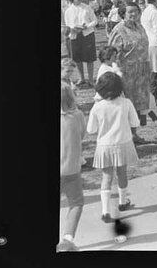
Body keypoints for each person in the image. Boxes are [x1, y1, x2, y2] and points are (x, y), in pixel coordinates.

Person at [87, 72, 139, 223]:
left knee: (106, 176)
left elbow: (91, 129)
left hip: (105, 145)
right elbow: (135, 122)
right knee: (122, 173)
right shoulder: (126, 103)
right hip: (123, 142)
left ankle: (105, 211)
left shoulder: (97, 106)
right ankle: (122, 202)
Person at [107, 2, 155, 130]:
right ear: (123, 14)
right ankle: (127, 133)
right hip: (127, 73)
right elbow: (111, 53)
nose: (134, 14)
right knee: (128, 104)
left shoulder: (139, 26)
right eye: (130, 11)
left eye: (136, 11)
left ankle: (134, 132)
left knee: (139, 105)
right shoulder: (119, 30)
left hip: (142, 72)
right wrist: (116, 72)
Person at [59, 82, 86, 252]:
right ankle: (67, 239)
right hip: (71, 168)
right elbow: (82, 135)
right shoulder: (78, 115)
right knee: (76, 203)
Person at [64, 0, 98, 87]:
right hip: (75, 36)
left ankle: (91, 80)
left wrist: (86, 26)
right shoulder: (68, 11)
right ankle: (81, 78)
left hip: (87, 34)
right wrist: (73, 28)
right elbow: (68, 24)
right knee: (77, 58)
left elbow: (95, 21)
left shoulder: (87, 8)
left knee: (89, 58)